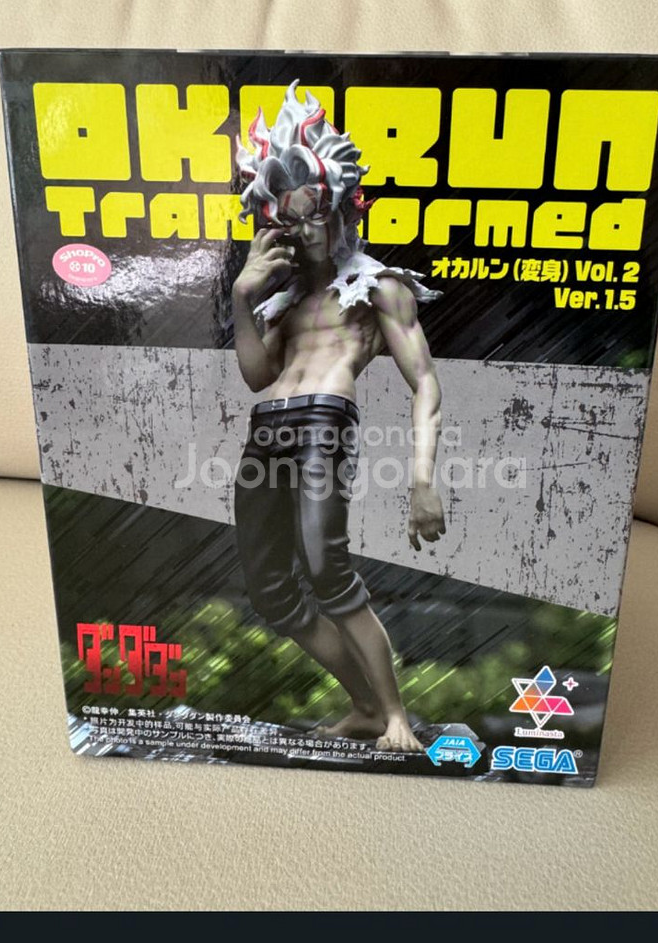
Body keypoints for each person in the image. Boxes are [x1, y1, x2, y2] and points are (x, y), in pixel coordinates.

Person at [232, 80, 445, 752]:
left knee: (328, 572)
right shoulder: (284, 297)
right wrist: (241, 295)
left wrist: (421, 479)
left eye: (315, 213)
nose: (303, 230)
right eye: (289, 219)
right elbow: (257, 376)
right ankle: (365, 706)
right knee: (270, 589)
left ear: (344, 204)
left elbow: (425, 383)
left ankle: (397, 715)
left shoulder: (378, 286)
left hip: (323, 423)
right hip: (266, 429)